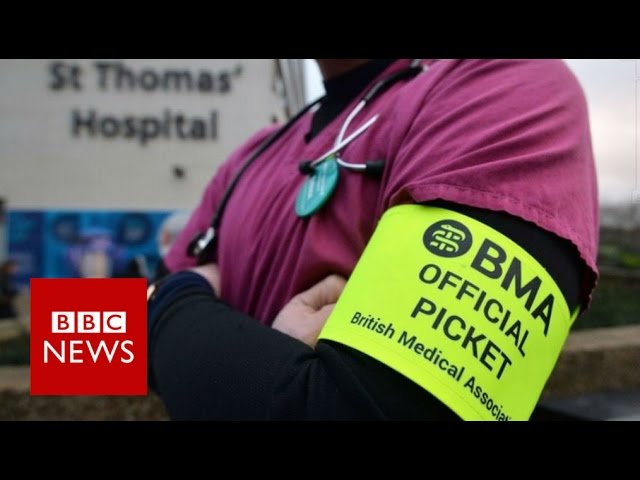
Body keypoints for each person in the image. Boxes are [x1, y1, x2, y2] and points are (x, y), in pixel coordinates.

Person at [147, 59, 599, 420]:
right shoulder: (250, 156)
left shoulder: (505, 89)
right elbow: (106, 343)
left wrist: (171, 301)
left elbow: (368, 410)